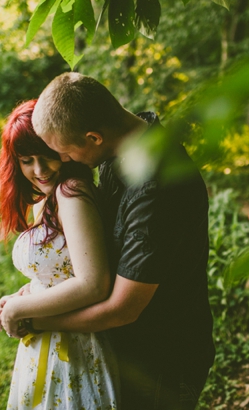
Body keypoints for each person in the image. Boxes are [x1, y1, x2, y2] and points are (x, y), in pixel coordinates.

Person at [26, 73, 215, 409]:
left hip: (163, 359)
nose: (65, 161)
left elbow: (124, 309)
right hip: (130, 351)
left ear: (93, 137)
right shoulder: (127, 141)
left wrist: (37, 321)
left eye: (65, 151)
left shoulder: (157, 190)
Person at [0, 99, 119, 410]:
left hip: (74, 347)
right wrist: (22, 296)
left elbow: (93, 284)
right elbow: (62, 269)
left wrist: (19, 310)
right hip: (47, 343)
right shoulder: (46, 199)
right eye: (26, 159)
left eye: (47, 155)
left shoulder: (70, 192)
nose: (39, 169)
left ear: (60, 148)